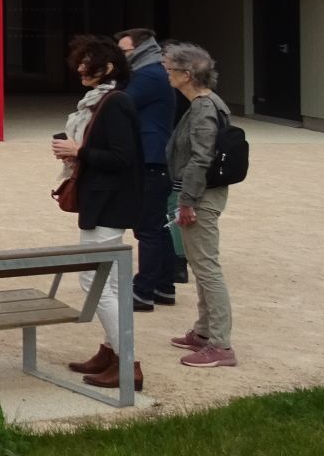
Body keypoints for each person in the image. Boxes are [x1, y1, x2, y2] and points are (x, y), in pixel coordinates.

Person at [50, 35, 146, 391]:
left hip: (109, 204)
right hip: (106, 202)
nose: (79, 68)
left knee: (95, 281)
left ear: (107, 68)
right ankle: (111, 352)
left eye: (86, 62)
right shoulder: (103, 100)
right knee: (112, 283)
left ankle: (127, 362)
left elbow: (122, 157)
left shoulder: (115, 102)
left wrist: (80, 151)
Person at [164, 41, 237, 369]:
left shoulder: (204, 107)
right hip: (201, 194)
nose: (167, 74)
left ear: (187, 74)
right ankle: (205, 331)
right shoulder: (205, 103)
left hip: (200, 196)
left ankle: (220, 345)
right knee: (201, 264)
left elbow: (201, 157)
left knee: (207, 268)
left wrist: (187, 201)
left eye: (171, 69)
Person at [117, 28, 179, 312]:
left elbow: (121, 104)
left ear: (140, 49)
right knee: (156, 226)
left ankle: (143, 291)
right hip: (154, 157)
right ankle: (164, 285)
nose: (121, 56)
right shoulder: (152, 72)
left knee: (148, 229)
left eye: (124, 51)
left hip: (149, 158)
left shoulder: (149, 74)